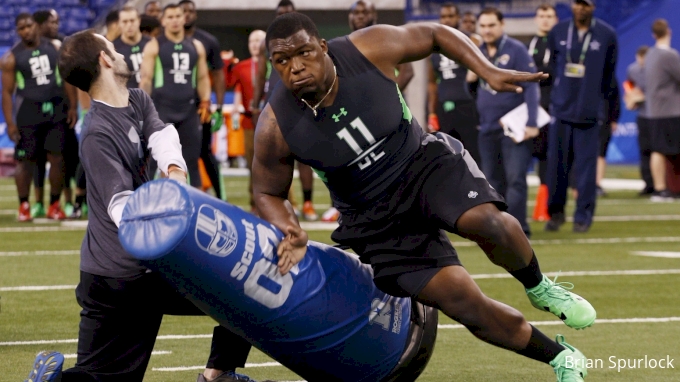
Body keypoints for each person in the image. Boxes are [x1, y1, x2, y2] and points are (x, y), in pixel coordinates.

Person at [253, 12, 595, 381]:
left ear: (322, 47)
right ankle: (561, 357)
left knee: (486, 221)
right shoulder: (275, 124)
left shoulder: (367, 48)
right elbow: (266, 190)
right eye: (282, 61)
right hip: (372, 217)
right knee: (463, 302)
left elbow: (433, 34)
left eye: (304, 53)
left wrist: (486, 70)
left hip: (421, 164)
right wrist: (289, 227)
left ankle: (539, 287)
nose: (296, 67)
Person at [23, 29, 261, 382]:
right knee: (244, 287)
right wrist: (175, 215)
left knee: (98, 376)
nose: (119, 52)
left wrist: (177, 173)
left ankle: (217, 374)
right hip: (123, 276)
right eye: (112, 47)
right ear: (105, 59)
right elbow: (123, 210)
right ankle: (218, 375)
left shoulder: (136, 99)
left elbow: (162, 135)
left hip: (124, 269)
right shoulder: (96, 133)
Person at [322, 0, 415, 223]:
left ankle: (404, 202)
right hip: (353, 114)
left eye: (366, 12)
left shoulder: (383, 37)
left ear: (375, 15)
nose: (360, 16)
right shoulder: (341, 45)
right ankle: (341, 206)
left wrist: (383, 96)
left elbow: (408, 71)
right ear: (349, 17)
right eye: (356, 12)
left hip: (385, 112)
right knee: (347, 159)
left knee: (391, 157)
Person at [544, 0, 618, 233]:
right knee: (556, 167)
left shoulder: (607, 34)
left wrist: (606, 111)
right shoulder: (557, 32)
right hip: (561, 111)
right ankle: (555, 214)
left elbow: (609, 77)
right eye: (577, 3)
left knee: (586, 171)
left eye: (585, 4)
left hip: (589, 114)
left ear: (593, 7)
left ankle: (583, 217)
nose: (581, 8)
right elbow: (553, 68)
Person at [1, 14, 76, 221]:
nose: (26, 30)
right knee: (25, 161)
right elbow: (7, 92)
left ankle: (54, 204)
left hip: (56, 111)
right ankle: (24, 205)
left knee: (57, 158)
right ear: (17, 31)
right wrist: (9, 122)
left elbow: (66, 78)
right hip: (28, 114)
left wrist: (73, 106)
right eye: (21, 28)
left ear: (36, 26)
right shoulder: (11, 57)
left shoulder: (54, 47)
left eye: (29, 26)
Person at [473, 8, 540, 238]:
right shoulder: (476, 51)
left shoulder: (516, 49)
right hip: (487, 127)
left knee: (516, 179)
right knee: (491, 183)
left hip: (514, 127)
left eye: (491, 25)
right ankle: (499, 229)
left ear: (502, 25)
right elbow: (472, 90)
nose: (487, 30)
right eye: (483, 26)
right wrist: (469, 81)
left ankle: (519, 229)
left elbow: (531, 85)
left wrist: (532, 122)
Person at [250, 0, 317, 220]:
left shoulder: (306, 38)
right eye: (281, 14)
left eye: (288, 14)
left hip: (302, 100)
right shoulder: (267, 43)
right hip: (275, 103)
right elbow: (260, 75)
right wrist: (256, 101)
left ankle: (308, 203)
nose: (284, 18)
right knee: (275, 156)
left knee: (305, 157)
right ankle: (279, 205)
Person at [140, 3, 211, 189]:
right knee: (152, 161)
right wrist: (141, 108)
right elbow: (146, 79)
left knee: (191, 160)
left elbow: (203, 77)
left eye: (178, 16)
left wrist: (206, 101)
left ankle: (193, 204)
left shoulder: (196, 46)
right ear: (163, 21)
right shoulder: (154, 45)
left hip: (188, 110)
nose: (174, 20)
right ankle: (143, 203)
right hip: (161, 110)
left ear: (184, 18)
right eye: (170, 17)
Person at [180, 0, 227, 200]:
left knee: (205, 152)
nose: (187, 15)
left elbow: (218, 75)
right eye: (183, 11)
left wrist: (219, 105)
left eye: (191, 11)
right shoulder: (165, 42)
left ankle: (220, 197)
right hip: (173, 105)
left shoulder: (208, 41)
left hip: (201, 107)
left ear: (196, 14)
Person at [427, 2, 481, 165]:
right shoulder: (433, 47)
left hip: (467, 104)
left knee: (473, 155)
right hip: (444, 107)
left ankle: (478, 189)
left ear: (458, 18)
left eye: (451, 16)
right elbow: (432, 83)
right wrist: (431, 112)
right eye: (443, 16)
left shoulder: (469, 40)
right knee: (448, 156)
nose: (447, 20)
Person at [226, 30, 266, 211]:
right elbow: (228, 83)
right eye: (252, 41)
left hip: (273, 122)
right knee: (252, 165)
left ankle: (291, 202)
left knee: (277, 165)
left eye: (259, 40)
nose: (256, 44)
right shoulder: (241, 67)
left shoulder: (274, 63)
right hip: (249, 122)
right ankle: (254, 203)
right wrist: (226, 63)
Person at [644, 19, 680, 201]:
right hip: (670, 110)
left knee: (659, 149)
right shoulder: (669, 55)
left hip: (654, 110)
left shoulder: (650, 54)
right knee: (664, 150)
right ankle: (662, 188)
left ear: (653, 34)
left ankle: (662, 188)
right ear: (669, 32)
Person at [528, 3, 558, 222]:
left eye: (549, 16)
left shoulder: (559, 43)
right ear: (536, 19)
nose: (545, 20)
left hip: (551, 109)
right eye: (542, 16)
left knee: (549, 157)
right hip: (528, 109)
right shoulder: (531, 43)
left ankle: (549, 205)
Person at [625, 45, 655, 195]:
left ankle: (661, 184)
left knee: (660, 150)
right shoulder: (633, 70)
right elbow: (629, 86)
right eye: (640, 59)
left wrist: (643, 96)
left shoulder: (658, 70)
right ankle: (648, 183)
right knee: (645, 150)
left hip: (659, 115)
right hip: (643, 115)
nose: (642, 62)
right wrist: (630, 98)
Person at [113, 6, 151, 89]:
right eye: (125, 22)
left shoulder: (151, 43)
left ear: (139, 21)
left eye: (132, 20)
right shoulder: (113, 49)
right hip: (127, 98)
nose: (129, 25)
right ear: (119, 23)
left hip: (153, 98)